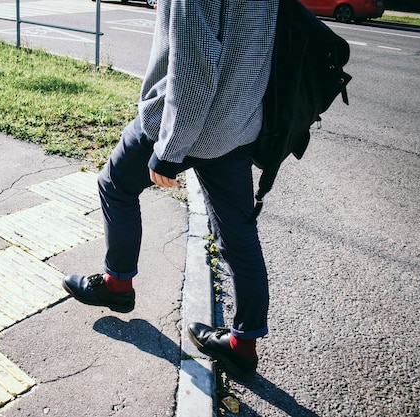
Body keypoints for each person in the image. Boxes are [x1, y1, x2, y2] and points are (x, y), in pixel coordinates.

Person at [62, 0, 278, 382]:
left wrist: (170, 149)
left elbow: (194, 63)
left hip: (177, 124)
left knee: (115, 185)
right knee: (239, 235)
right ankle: (243, 347)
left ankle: (117, 284)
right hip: (237, 124)